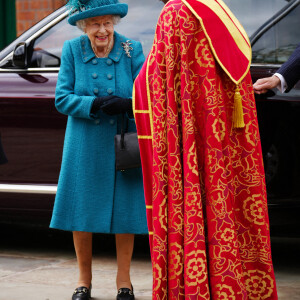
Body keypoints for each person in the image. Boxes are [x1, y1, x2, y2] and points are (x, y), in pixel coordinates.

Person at [133, 0, 278, 299]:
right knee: (228, 209)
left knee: (196, 207)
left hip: (191, 134)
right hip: (221, 137)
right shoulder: (218, 9)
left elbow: (159, 76)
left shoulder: (176, 11)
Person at [50, 1, 148, 299]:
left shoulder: (132, 49)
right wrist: (90, 104)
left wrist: (127, 104)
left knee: (125, 214)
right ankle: (83, 281)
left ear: (115, 23)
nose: (102, 30)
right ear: (84, 26)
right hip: (84, 143)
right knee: (81, 212)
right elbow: (61, 98)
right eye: (94, 24)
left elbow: (147, 95)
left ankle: (124, 282)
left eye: (107, 23)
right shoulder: (72, 50)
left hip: (121, 142)